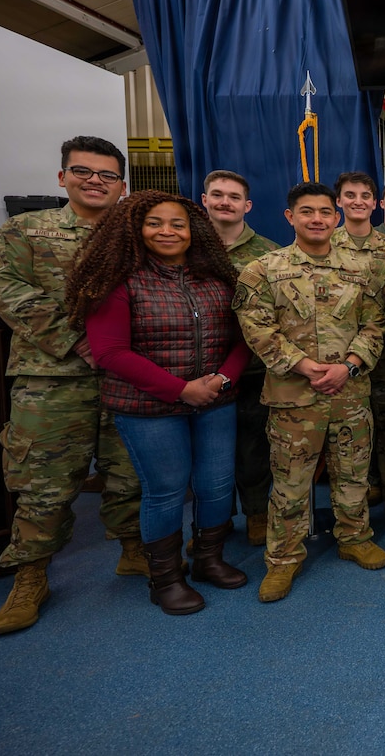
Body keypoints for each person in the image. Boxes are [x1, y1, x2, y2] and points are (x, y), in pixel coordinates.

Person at [0, 136, 143, 637]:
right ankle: (30, 578)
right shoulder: (24, 230)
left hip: (129, 377)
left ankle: (134, 551)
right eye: (83, 171)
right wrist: (81, 342)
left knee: (132, 470)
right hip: (52, 379)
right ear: (62, 177)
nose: (95, 181)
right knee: (42, 482)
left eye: (107, 175)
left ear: (122, 184)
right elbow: (6, 289)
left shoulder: (139, 236)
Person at [68, 190, 252, 614]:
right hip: (147, 407)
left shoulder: (217, 277)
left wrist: (223, 379)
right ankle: (165, 579)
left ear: (194, 231)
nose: (167, 231)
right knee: (167, 491)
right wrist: (182, 389)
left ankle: (208, 559)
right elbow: (111, 352)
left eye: (177, 224)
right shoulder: (116, 279)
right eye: (155, 223)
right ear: (135, 228)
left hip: (215, 401)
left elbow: (244, 339)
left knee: (216, 485)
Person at [233, 182, 385, 603]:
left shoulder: (363, 270)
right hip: (293, 398)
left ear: (336, 216)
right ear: (290, 217)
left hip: (350, 392)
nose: (317, 219)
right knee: (290, 482)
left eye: (324, 212)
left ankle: (354, 537)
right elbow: (256, 328)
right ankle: (283, 559)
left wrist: (349, 365)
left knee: (354, 473)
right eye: (307, 212)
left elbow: (375, 325)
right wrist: (303, 365)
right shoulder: (263, 269)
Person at [202, 169, 280, 546]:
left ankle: (256, 514)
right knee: (205, 454)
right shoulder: (184, 246)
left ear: (247, 206)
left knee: (253, 448)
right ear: (205, 200)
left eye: (234, 197)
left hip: (251, 367)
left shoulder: (268, 254)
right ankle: (211, 524)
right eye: (217, 195)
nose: (225, 202)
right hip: (195, 367)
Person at [330, 172, 385, 528]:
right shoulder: (325, 244)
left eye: (365, 195)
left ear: (375, 204)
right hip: (339, 361)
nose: (358, 201)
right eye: (350, 195)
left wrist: (377, 339)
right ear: (339, 202)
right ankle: (354, 505)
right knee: (346, 439)